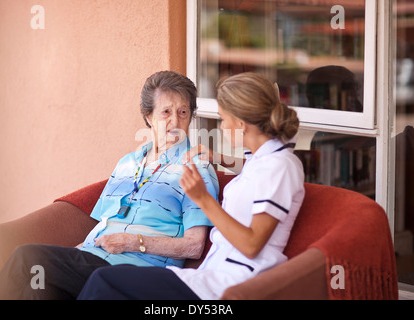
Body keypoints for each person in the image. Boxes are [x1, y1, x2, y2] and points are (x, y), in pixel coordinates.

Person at [0, 70, 219, 299]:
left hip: (137, 269)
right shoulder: (128, 163)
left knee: (27, 258)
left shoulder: (196, 168)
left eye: (183, 112)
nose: (175, 121)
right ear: (148, 117)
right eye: (166, 112)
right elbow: (103, 223)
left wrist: (134, 242)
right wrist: (72, 255)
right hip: (95, 258)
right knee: (38, 287)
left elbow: (194, 246)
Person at [77, 72, 306, 300]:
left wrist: (203, 200)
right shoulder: (267, 160)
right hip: (210, 274)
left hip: (230, 282)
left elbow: (252, 245)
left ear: (241, 123)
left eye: (223, 119)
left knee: (103, 281)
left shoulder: (281, 167)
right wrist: (219, 157)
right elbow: (257, 171)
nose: (222, 127)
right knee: (103, 283)